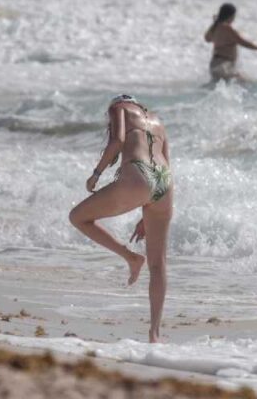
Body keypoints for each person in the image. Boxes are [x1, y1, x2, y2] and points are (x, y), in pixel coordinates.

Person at [69, 95, 173, 343]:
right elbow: (166, 163)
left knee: (78, 217)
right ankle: (155, 333)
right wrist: (146, 210)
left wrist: (96, 174)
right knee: (158, 264)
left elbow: (118, 140)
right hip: (165, 185)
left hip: (138, 175)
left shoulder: (118, 107)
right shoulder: (158, 121)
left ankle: (131, 257)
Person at [203, 3, 257, 84]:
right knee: (246, 82)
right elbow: (241, 41)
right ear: (230, 16)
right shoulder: (226, 27)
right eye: (234, 16)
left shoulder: (215, 27)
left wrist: (215, 22)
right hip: (224, 65)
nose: (234, 18)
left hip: (215, 65)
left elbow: (207, 39)